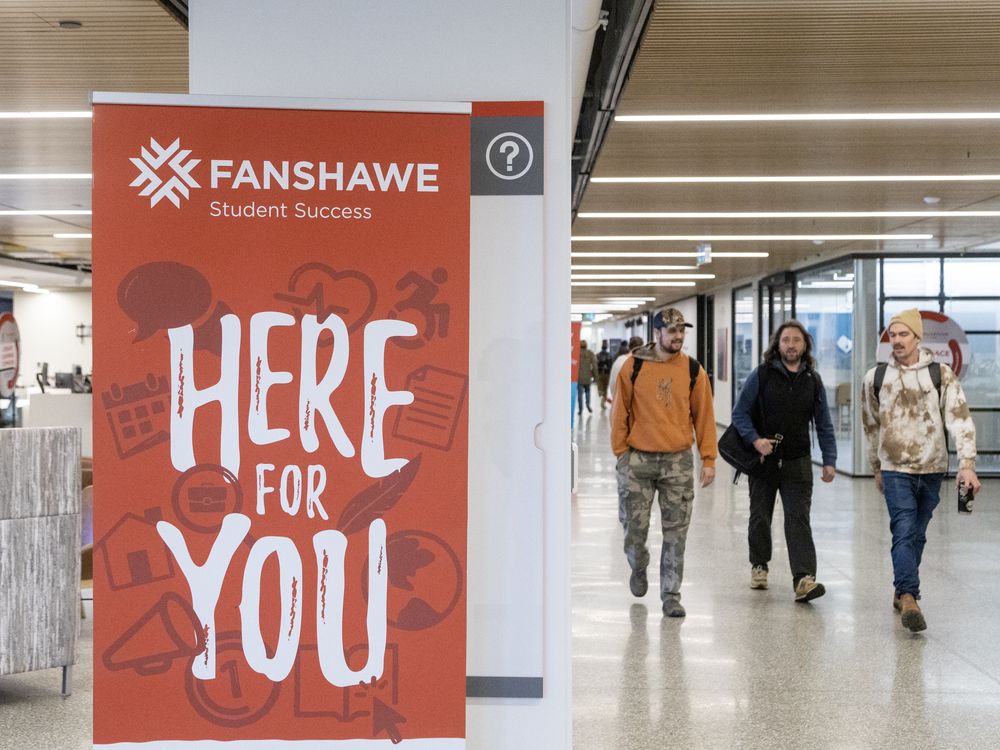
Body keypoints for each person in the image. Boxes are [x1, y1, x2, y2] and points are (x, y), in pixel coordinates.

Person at [861, 308, 980, 633]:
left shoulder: (940, 374)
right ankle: (911, 596)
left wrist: (966, 465)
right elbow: (871, 425)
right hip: (895, 467)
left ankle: (901, 589)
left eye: (903, 334)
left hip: (932, 468)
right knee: (903, 529)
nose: (896, 341)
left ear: (917, 338)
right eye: (892, 335)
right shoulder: (876, 377)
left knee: (918, 532)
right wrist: (876, 466)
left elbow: (960, 420)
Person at [611, 308, 717, 618]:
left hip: (677, 462)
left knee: (676, 533)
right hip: (638, 460)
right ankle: (638, 563)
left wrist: (708, 458)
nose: (678, 336)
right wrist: (621, 454)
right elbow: (619, 413)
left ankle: (671, 594)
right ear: (657, 333)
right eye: (671, 331)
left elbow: (704, 416)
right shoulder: (633, 367)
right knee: (633, 529)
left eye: (682, 330)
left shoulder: (694, 371)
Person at [730, 320, 836, 603]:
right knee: (760, 516)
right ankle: (759, 565)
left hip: (798, 461)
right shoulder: (762, 375)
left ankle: (804, 579)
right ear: (777, 344)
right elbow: (739, 414)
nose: (791, 345)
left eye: (797, 340)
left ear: (805, 345)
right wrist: (755, 439)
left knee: (798, 519)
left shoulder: (812, 379)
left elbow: (823, 423)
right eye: (786, 340)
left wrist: (829, 459)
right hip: (764, 460)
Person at [609, 335, 646, 529]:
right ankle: (630, 511)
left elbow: (611, 386)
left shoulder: (618, 362)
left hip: (618, 416)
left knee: (624, 465)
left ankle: (626, 510)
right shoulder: (633, 365)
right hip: (631, 419)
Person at [577, 340, 598, 415]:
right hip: (588, 378)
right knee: (588, 392)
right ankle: (588, 404)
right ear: (586, 345)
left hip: (579, 378)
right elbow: (595, 366)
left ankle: (580, 409)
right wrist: (595, 378)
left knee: (579, 394)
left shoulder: (577, 353)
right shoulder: (590, 353)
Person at [596, 340, 613, 408]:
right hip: (607, 374)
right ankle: (603, 402)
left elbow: (596, 365)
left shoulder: (598, 355)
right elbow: (611, 366)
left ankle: (601, 395)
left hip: (600, 373)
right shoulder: (609, 355)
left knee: (600, 386)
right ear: (607, 346)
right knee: (605, 388)